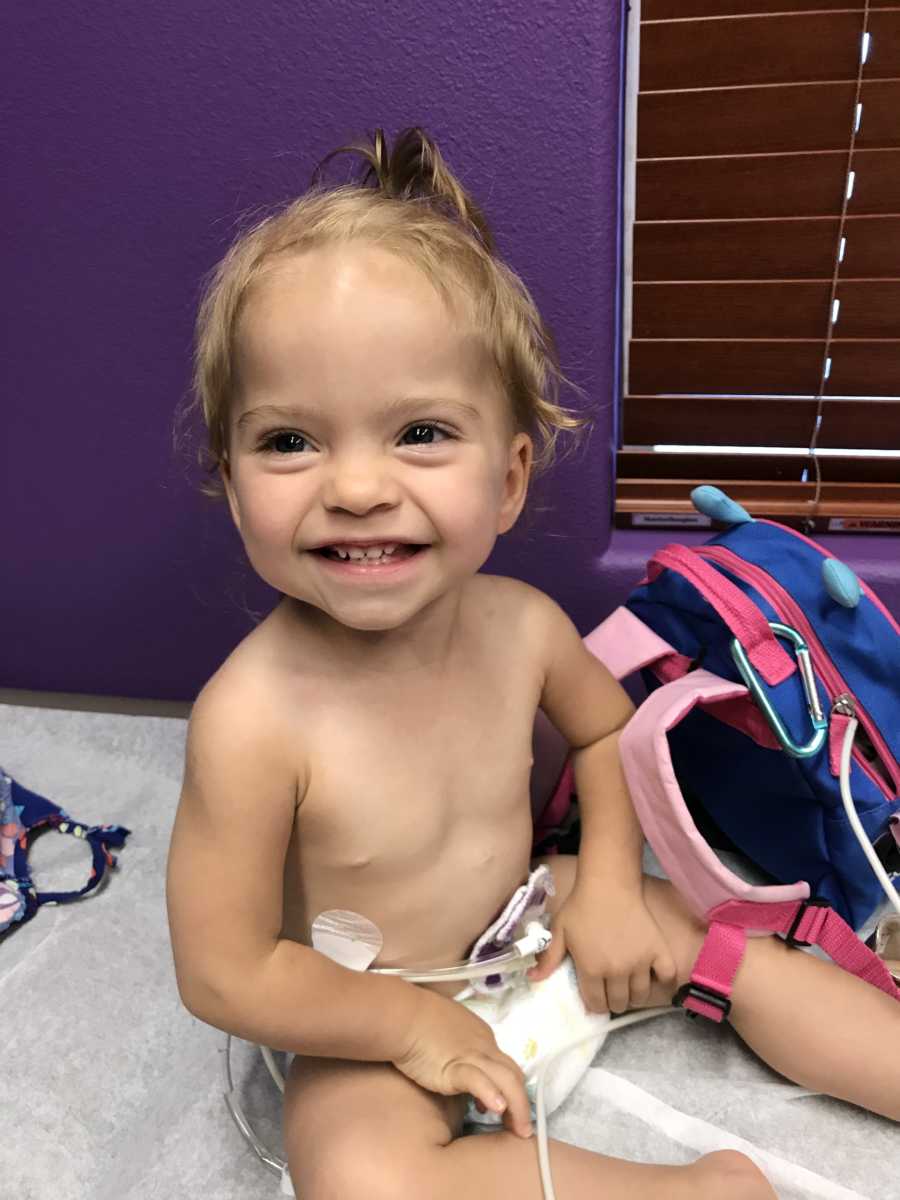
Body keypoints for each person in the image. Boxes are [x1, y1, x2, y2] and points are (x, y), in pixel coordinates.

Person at [165, 127, 899, 1200]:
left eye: (418, 432)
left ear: (510, 479)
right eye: (289, 441)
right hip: (370, 996)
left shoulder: (522, 626)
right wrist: (409, 1024)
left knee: (734, 949)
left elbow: (606, 731)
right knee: (362, 1180)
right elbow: (226, 970)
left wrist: (604, 884)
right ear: (231, 484)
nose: (358, 486)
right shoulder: (251, 719)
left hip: (538, 919)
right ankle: (702, 1193)